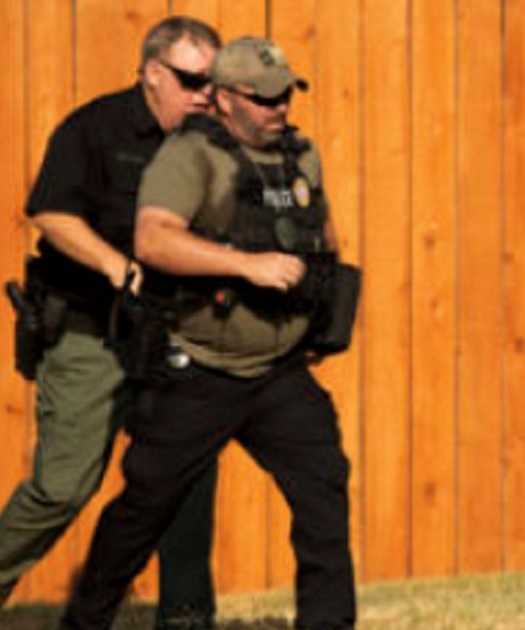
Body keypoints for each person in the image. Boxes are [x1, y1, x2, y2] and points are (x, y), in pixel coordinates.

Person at [58, 36, 357, 630]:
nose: (278, 108)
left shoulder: (301, 154)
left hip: (278, 371)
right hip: (199, 369)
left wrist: (319, 318)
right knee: (144, 507)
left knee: (324, 485)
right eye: (263, 97)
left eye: (285, 95)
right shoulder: (188, 157)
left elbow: (322, 236)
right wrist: (246, 265)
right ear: (222, 98)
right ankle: (84, 622)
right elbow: (153, 239)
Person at [0, 16, 222, 629]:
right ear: (153, 73)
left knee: (187, 475)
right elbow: (50, 213)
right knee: (62, 489)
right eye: (191, 79)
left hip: (175, 335)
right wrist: (115, 265)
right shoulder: (93, 128)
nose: (206, 92)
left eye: (214, 79)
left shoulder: (216, 142)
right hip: (91, 335)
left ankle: (185, 615)